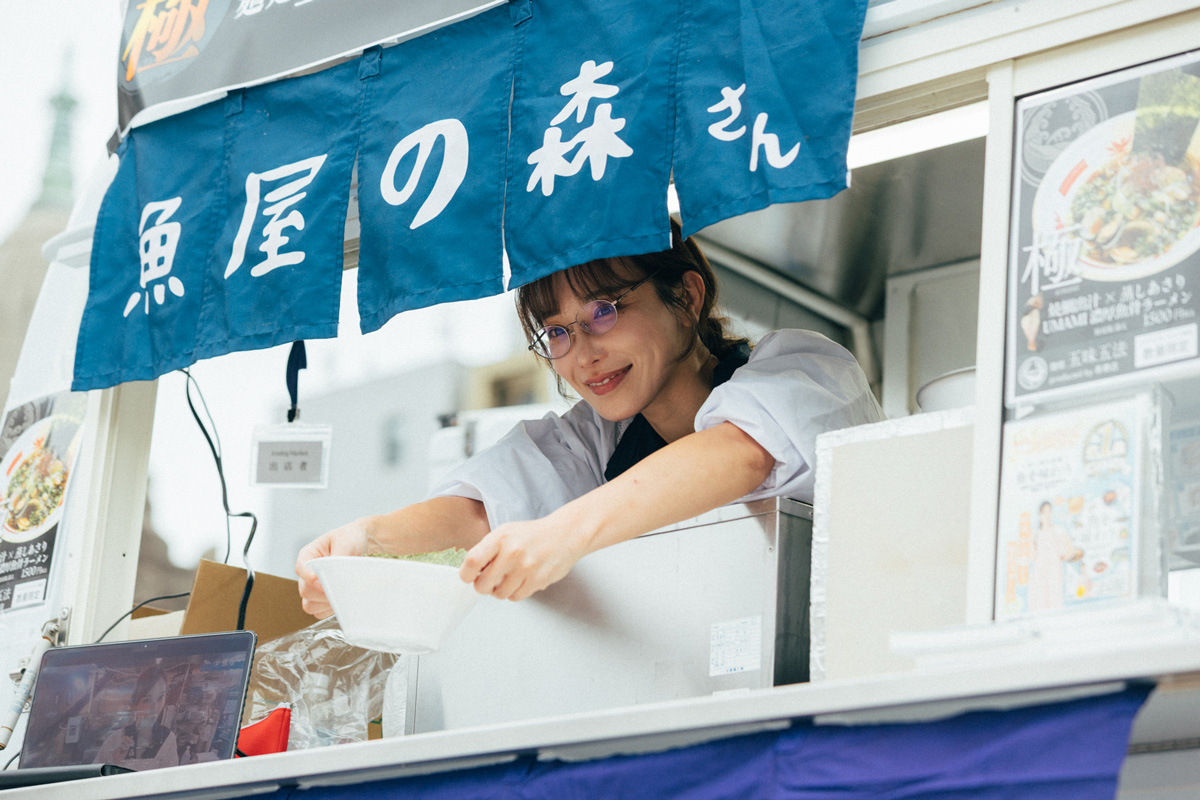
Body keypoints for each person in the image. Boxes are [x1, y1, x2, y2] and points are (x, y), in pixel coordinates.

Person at [296, 221, 884, 612]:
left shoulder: (804, 370)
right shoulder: (597, 438)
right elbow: (480, 508)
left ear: (687, 296)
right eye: (556, 331)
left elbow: (742, 451)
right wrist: (366, 539)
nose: (582, 353)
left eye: (604, 311)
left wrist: (563, 534)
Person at [94, 666, 179, 769]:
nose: (154, 707)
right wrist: (115, 762)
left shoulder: (168, 740)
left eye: (160, 697)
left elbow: (170, 781)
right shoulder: (115, 741)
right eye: (147, 700)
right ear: (134, 705)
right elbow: (95, 778)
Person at [1027, 501, 1083, 611]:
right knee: (1039, 599)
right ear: (1039, 514)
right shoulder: (1036, 533)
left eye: (1049, 511)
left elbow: (1070, 550)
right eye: (1044, 512)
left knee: (1054, 598)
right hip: (1039, 570)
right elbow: (1032, 557)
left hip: (1054, 569)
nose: (1047, 514)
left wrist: (1063, 557)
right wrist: (1031, 542)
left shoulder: (1059, 529)